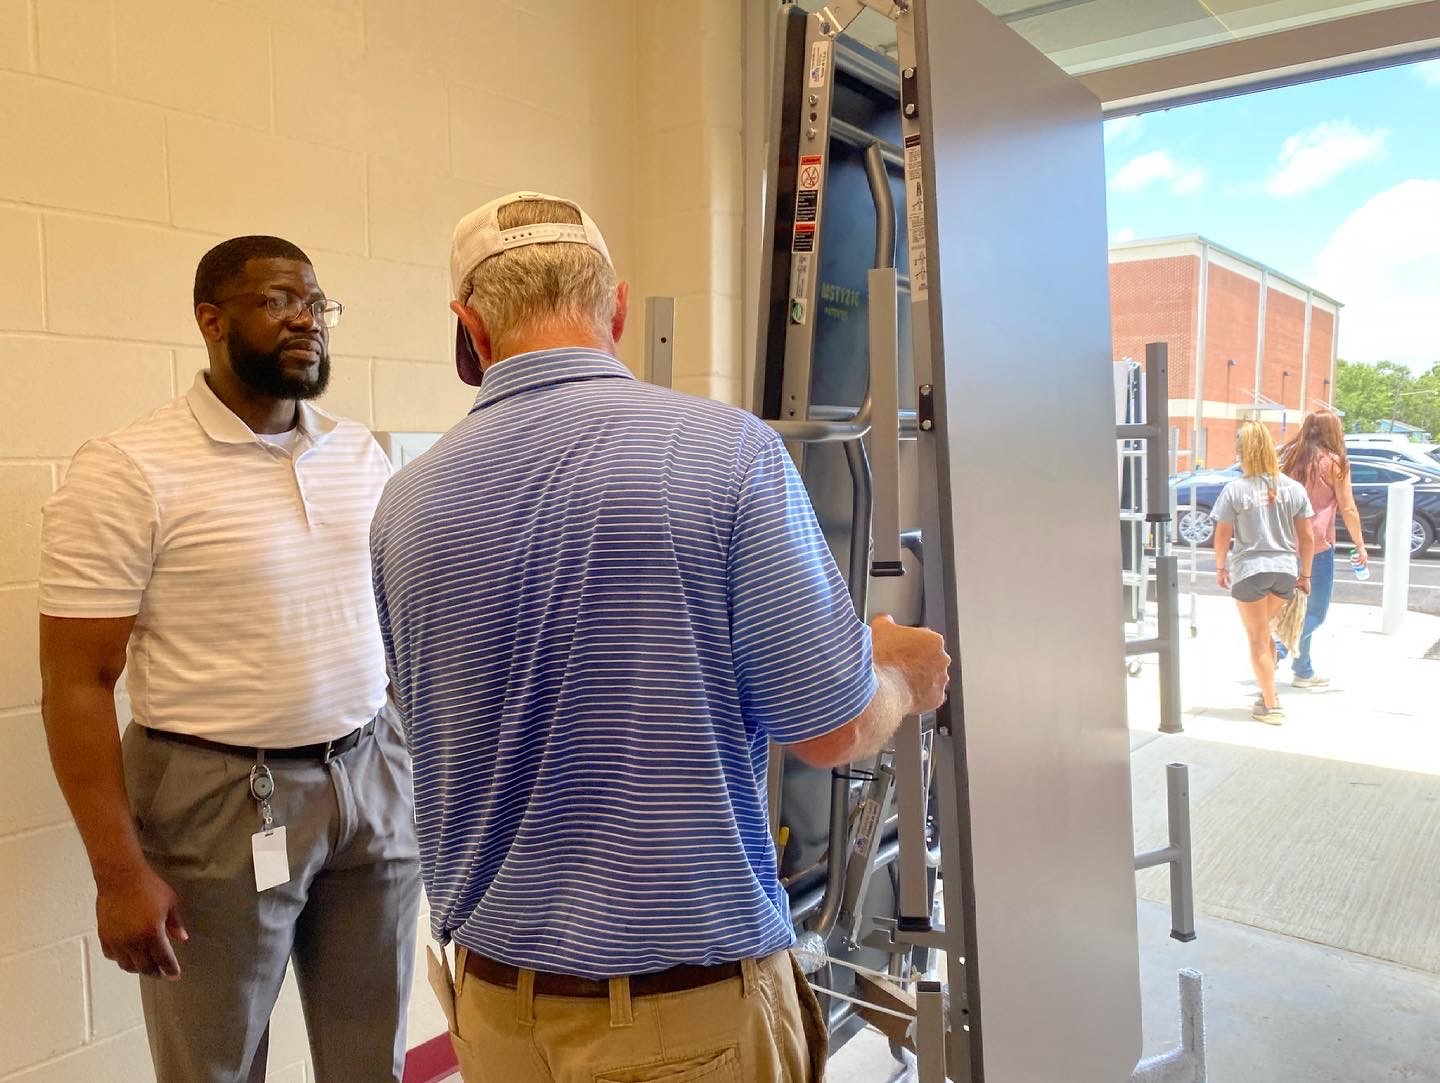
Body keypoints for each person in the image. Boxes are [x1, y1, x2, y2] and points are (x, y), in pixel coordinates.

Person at [370, 192, 951, 1083]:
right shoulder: (729, 455)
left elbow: (436, 732)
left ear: (470, 330)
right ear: (618, 309)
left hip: (494, 1022)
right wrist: (902, 673)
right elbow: (832, 730)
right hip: (679, 1027)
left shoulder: (404, 506)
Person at [38, 236, 420, 1082]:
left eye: (317, 305)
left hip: (372, 779)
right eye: (281, 300)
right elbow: (76, 681)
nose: (306, 321)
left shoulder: (358, 454)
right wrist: (116, 873)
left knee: (373, 1056)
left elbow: (388, 615)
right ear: (210, 319)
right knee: (214, 1062)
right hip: (217, 801)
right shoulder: (129, 468)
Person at [1211, 420, 1315, 724]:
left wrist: (1220, 567)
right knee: (1265, 630)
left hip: (1250, 571)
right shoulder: (1293, 488)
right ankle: (1269, 692)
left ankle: (1271, 706)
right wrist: (1305, 575)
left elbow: (1221, 536)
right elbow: (1307, 537)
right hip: (1284, 571)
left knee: (1256, 638)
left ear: (1242, 452)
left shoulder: (1236, 489)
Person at [1276, 411, 1369, 686]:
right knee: (1316, 612)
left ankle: (1303, 670)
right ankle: (1278, 649)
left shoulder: (1288, 457)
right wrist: (1360, 545)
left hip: (1283, 541)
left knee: (1296, 608)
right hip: (1315, 545)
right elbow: (1348, 507)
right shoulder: (1335, 463)